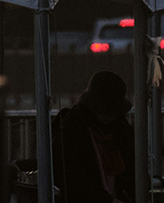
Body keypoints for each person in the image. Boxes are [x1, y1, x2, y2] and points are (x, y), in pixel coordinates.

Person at [52, 70, 135, 202]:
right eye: (104, 111)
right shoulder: (71, 132)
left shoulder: (123, 131)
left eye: (112, 112)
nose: (108, 117)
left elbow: (132, 175)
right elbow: (73, 181)